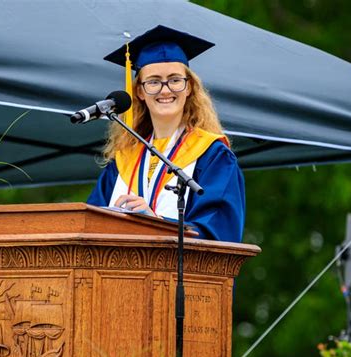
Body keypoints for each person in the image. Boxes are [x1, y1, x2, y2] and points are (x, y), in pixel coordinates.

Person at [87, 25, 245, 242]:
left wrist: (156, 224)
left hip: (181, 275)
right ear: (140, 92)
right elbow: (90, 225)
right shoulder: (123, 161)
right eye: (153, 82)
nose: (165, 89)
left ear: (189, 87)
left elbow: (218, 233)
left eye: (175, 80)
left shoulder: (212, 156)